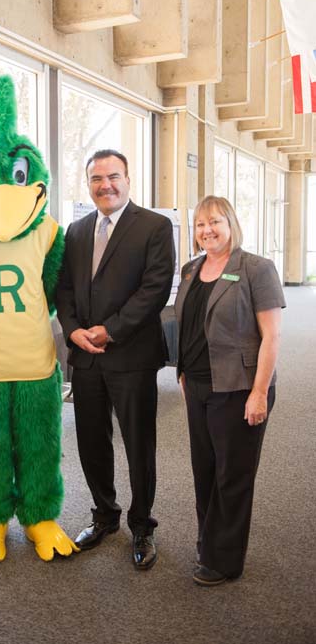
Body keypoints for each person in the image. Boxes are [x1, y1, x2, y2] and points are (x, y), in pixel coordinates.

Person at [56, 149, 175, 570]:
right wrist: (71, 330)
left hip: (132, 355)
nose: (105, 185)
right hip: (85, 356)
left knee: (139, 443)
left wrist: (111, 329)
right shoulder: (76, 230)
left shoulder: (155, 226)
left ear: (128, 179)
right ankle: (104, 515)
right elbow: (64, 288)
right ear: (87, 183)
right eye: (96, 178)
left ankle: (143, 523)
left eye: (113, 176)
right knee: (90, 440)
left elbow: (155, 288)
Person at [175, 195, 285, 587]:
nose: (207, 230)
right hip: (200, 386)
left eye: (215, 222)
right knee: (204, 470)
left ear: (231, 224)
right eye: (201, 224)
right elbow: (188, 328)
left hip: (239, 389)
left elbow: (271, 336)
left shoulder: (256, 268)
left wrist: (259, 393)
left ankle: (226, 561)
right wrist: (184, 375)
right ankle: (209, 542)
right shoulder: (191, 270)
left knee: (232, 475)